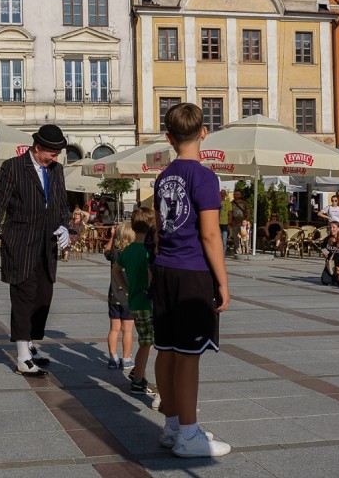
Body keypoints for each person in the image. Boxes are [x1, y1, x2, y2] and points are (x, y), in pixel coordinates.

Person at [152, 103, 231, 458]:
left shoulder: (163, 175)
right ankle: (188, 433)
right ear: (203, 132)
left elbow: (159, 227)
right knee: (188, 356)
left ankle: (172, 426)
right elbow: (211, 235)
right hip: (192, 272)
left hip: (165, 268)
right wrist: (223, 282)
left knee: (166, 351)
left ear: (169, 138)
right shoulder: (204, 176)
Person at [0, 124, 71, 378]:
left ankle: (31, 343)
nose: (55, 158)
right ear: (37, 148)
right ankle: (22, 356)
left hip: (47, 246)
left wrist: (66, 226)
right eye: (52, 153)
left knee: (43, 298)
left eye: (58, 154)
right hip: (21, 244)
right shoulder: (13, 167)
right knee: (24, 298)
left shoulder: (57, 170)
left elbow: (61, 203)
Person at [114, 207, 158, 394]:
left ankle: (137, 372)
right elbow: (150, 274)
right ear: (152, 228)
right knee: (147, 343)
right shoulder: (147, 251)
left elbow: (116, 269)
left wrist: (126, 287)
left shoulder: (129, 249)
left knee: (145, 340)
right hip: (148, 303)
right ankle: (138, 379)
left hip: (134, 301)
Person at [104, 222, 135, 370]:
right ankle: (126, 358)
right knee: (127, 330)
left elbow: (106, 250)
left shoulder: (115, 253)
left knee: (114, 329)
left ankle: (113, 357)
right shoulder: (135, 254)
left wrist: (112, 235)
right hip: (129, 298)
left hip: (113, 296)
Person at [320, 220, 339, 285]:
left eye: (333, 227)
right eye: (330, 227)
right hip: (331, 265)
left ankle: (336, 278)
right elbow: (323, 250)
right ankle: (334, 278)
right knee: (325, 281)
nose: (331, 229)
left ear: (338, 229)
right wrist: (324, 255)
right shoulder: (326, 239)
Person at [218, 189, 232, 255]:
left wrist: (229, 222)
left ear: (225, 194)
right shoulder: (216, 201)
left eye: (223, 193)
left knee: (224, 239)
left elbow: (230, 213)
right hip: (217, 223)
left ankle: (223, 254)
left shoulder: (228, 203)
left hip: (225, 223)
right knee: (217, 239)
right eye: (221, 193)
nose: (222, 195)